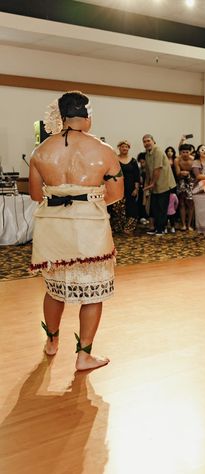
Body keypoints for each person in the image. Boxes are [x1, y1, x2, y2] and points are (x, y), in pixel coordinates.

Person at [29, 91, 123, 370]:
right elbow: (116, 194)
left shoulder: (40, 152)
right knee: (93, 292)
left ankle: (51, 342)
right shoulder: (104, 150)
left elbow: (36, 194)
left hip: (53, 226)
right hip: (90, 227)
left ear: (61, 115)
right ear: (88, 114)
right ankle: (84, 355)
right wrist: (88, 200)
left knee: (54, 289)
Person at [143, 134, 176, 236]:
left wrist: (152, 184)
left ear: (153, 141)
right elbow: (149, 171)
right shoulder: (147, 154)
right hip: (154, 186)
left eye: (148, 140)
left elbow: (157, 169)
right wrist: (148, 184)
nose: (146, 143)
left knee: (162, 208)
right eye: (144, 141)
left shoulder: (157, 151)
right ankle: (156, 228)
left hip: (164, 184)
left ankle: (161, 229)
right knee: (154, 207)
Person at [108, 140, 140, 234]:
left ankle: (128, 228)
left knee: (131, 208)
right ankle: (118, 228)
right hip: (117, 188)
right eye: (123, 146)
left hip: (130, 189)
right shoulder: (114, 159)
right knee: (117, 208)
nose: (124, 148)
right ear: (119, 148)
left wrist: (136, 188)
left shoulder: (133, 161)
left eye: (126, 147)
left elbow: (136, 176)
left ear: (128, 148)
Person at [175, 143, 195, 231]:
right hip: (181, 181)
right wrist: (182, 173)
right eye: (183, 152)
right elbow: (178, 174)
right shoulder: (177, 160)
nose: (185, 154)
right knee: (182, 203)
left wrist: (187, 174)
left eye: (187, 152)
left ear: (190, 152)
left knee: (191, 204)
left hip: (191, 181)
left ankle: (189, 224)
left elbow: (196, 173)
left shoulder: (194, 160)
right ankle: (183, 224)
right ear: (180, 152)